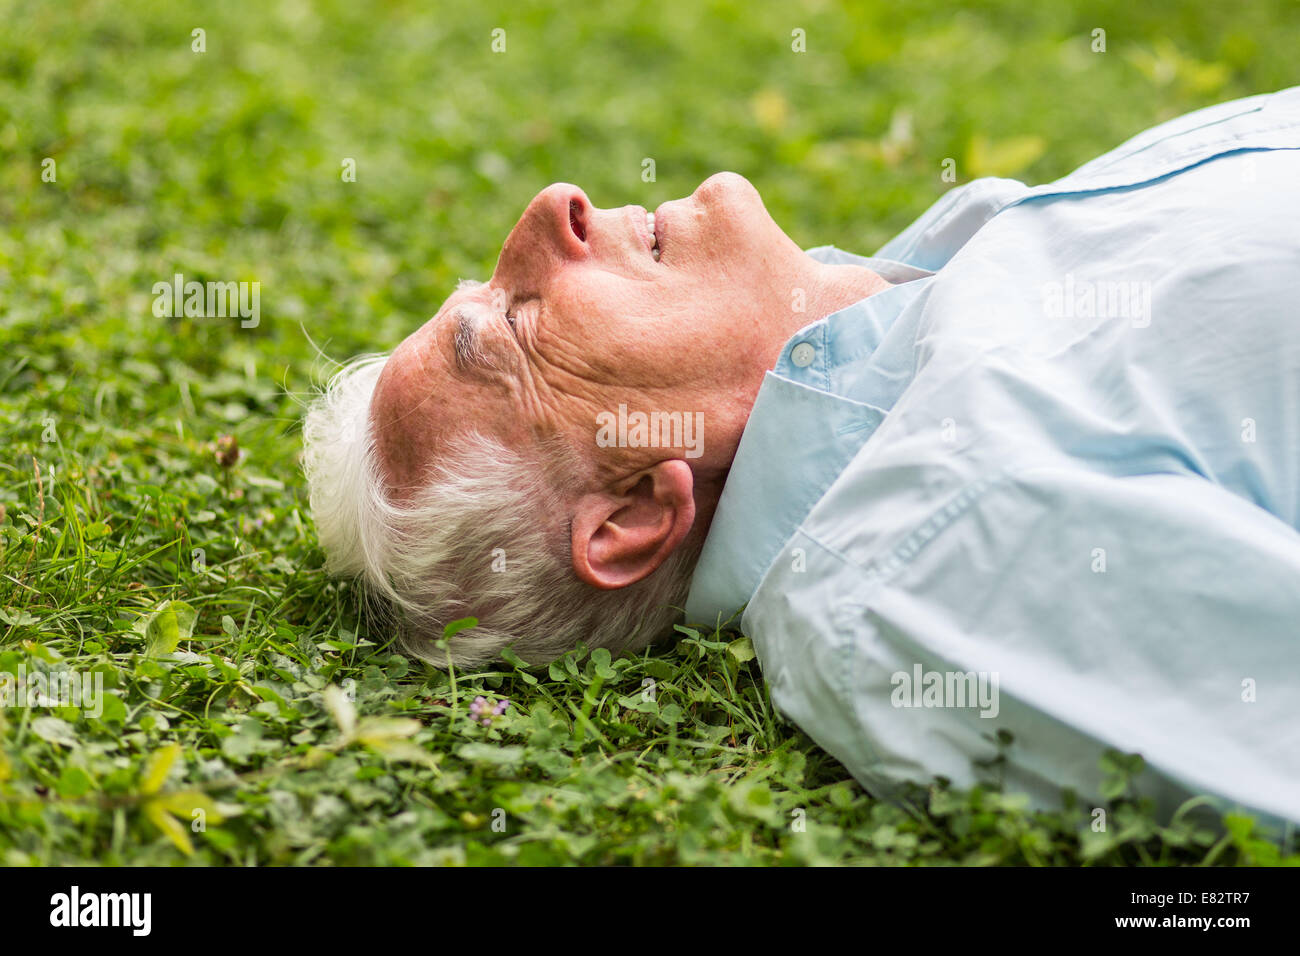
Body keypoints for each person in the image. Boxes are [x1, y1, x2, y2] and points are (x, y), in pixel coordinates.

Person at [303, 86, 1300, 824]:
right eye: (515, 322)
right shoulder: (926, 570)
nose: (547, 207)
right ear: (635, 514)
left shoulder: (927, 303)